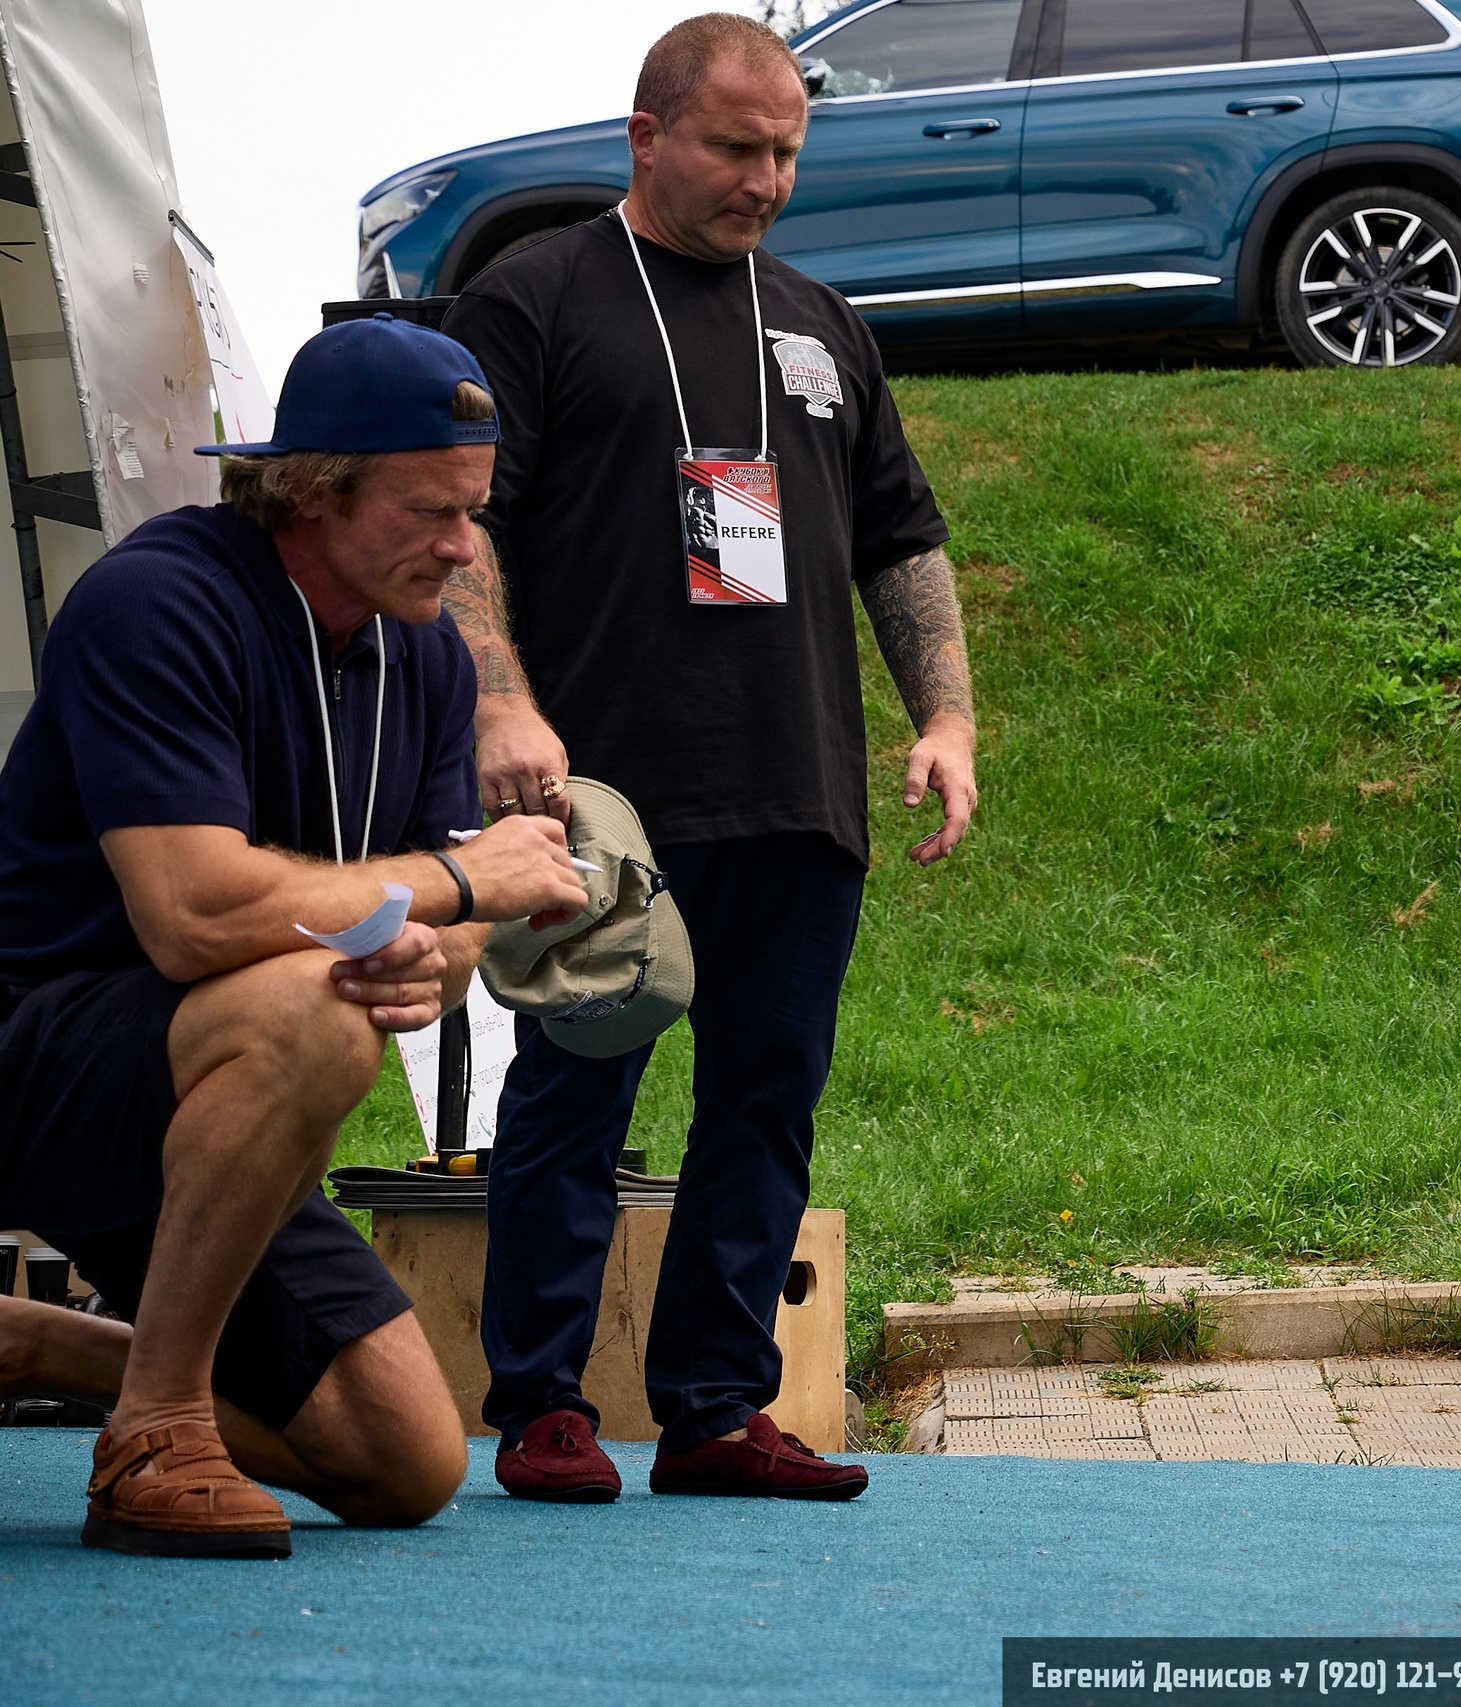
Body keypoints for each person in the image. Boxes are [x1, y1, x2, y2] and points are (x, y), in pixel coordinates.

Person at [437, 13, 976, 1502]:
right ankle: (541, 1403)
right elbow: (461, 521)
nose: (767, 180)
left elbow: (902, 538)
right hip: (606, 792)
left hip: (796, 787)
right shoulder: (531, 299)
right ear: (647, 134)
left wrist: (946, 718)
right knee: (576, 1088)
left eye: (788, 152)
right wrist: (498, 703)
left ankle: (716, 1407)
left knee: (765, 1097)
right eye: (738, 148)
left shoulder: (819, 321)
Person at [0, 316, 589, 1557]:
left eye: (474, 510)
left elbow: (445, 939)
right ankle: (156, 1428)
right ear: (314, 491)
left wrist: (432, 951)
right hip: (40, 1057)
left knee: (407, 1466)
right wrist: (452, 884)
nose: (463, 547)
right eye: (431, 511)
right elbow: (191, 914)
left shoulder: (426, 659)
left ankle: (39, 1345)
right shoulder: (157, 600)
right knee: (314, 1009)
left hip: (208, 1096)